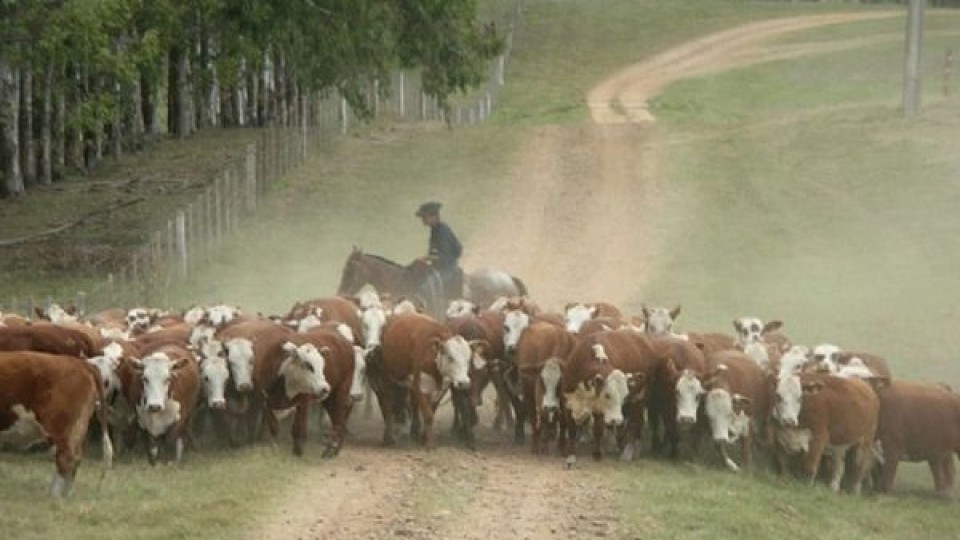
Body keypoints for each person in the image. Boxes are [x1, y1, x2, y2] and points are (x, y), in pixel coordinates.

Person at [415, 201, 463, 300]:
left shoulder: (442, 231)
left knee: (429, 287)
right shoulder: (435, 230)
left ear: (434, 217)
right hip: (439, 267)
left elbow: (444, 255)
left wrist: (426, 258)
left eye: (425, 217)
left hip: (448, 268)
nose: (423, 220)